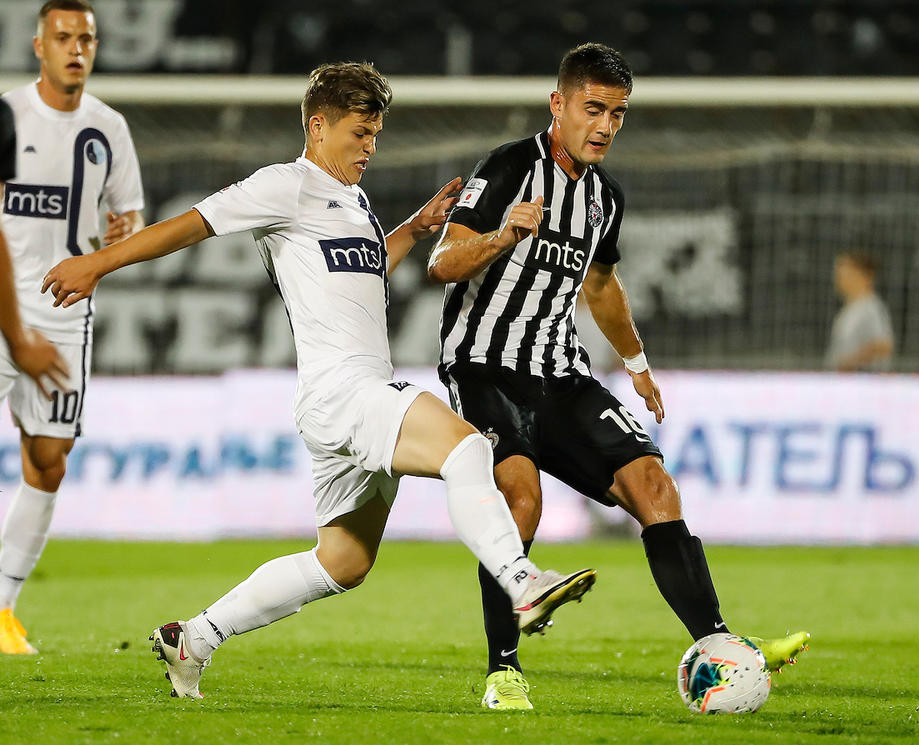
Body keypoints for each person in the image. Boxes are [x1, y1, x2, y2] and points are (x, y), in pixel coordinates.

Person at [42, 61, 595, 700]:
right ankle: (521, 583)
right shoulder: (285, 185)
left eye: (376, 135)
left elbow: (362, 274)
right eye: (359, 133)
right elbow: (190, 225)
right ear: (317, 126)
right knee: (467, 447)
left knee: (344, 562)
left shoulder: (352, 201)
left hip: (342, 399)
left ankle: (195, 637)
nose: (370, 147)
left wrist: (413, 231)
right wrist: (97, 264)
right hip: (345, 390)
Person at [428, 43, 809, 710]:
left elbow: (601, 286)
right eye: (593, 108)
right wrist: (503, 236)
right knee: (520, 498)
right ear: (559, 104)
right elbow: (443, 262)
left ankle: (721, 646)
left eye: (618, 113)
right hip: (486, 367)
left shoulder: (605, 197)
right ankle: (503, 672)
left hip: (562, 374)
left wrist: (637, 365)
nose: (605, 125)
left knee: (654, 486)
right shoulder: (510, 167)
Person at [0, 0, 145, 655]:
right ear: (39, 46)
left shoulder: (109, 127)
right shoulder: (7, 115)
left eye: (85, 38)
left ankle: (3, 609)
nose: (75, 48)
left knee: (49, 459)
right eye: (62, 37)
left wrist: (123, 231)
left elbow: (130, 215)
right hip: (2, 302)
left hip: (62, 314)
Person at [826, 251, 894, 372]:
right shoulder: (850, 309)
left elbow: (883, 346)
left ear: (863, 276)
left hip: (863, 380)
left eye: (845, 274)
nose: (838, 280)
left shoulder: (871, 307)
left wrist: (849, 363)